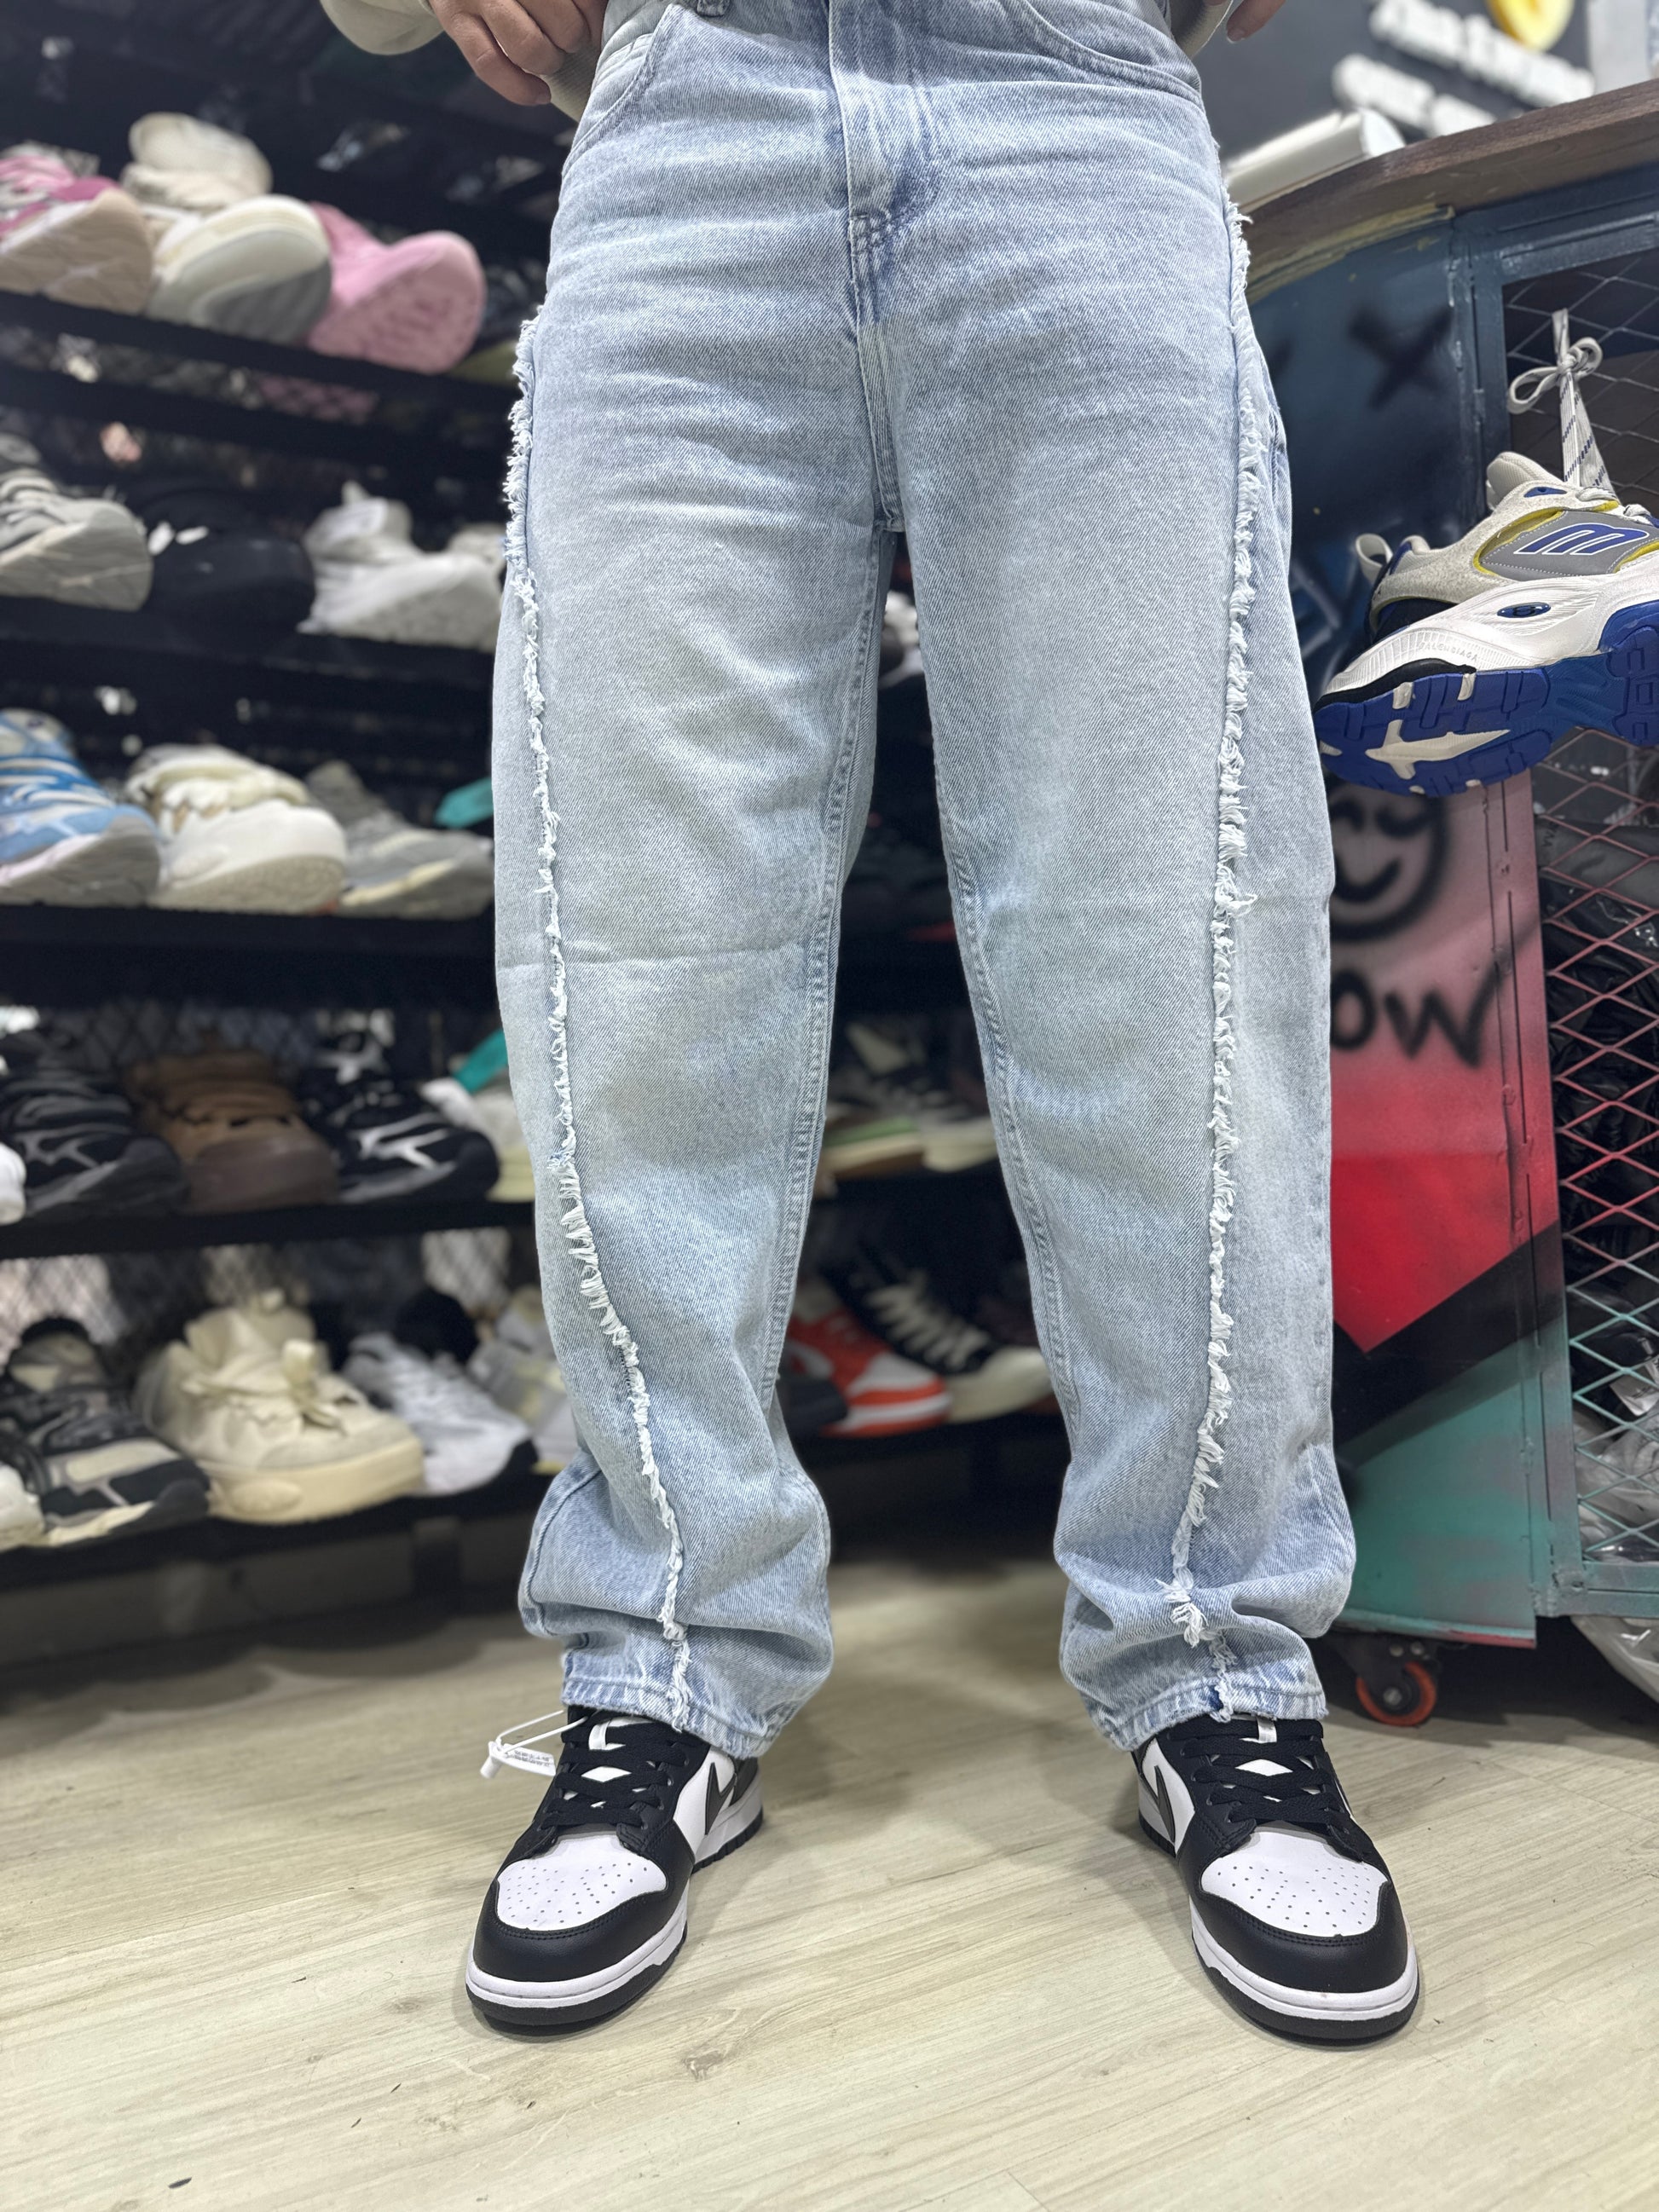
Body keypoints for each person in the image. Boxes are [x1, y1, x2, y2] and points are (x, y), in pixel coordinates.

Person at [326, 0, 1419, 2042]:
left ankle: (1215, 1658)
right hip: (690, 117)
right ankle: (665, 1656)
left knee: (1161, 943)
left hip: (1071, 96)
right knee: (641, 952)